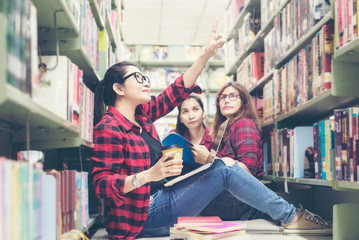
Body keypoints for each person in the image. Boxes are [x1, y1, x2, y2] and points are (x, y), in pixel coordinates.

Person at [91, 24, 331, 240]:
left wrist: (206, 54)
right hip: (141, 217)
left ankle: (290, 216)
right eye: (138, 77)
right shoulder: (110, 126)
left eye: (145, 77)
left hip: (160, 196)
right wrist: (148, 175)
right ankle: (291, 217)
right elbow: (101, 184)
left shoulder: (142, 117)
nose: (146, 82)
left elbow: (175, 91)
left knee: (223, 166)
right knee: (225, 169)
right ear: (118, 88)